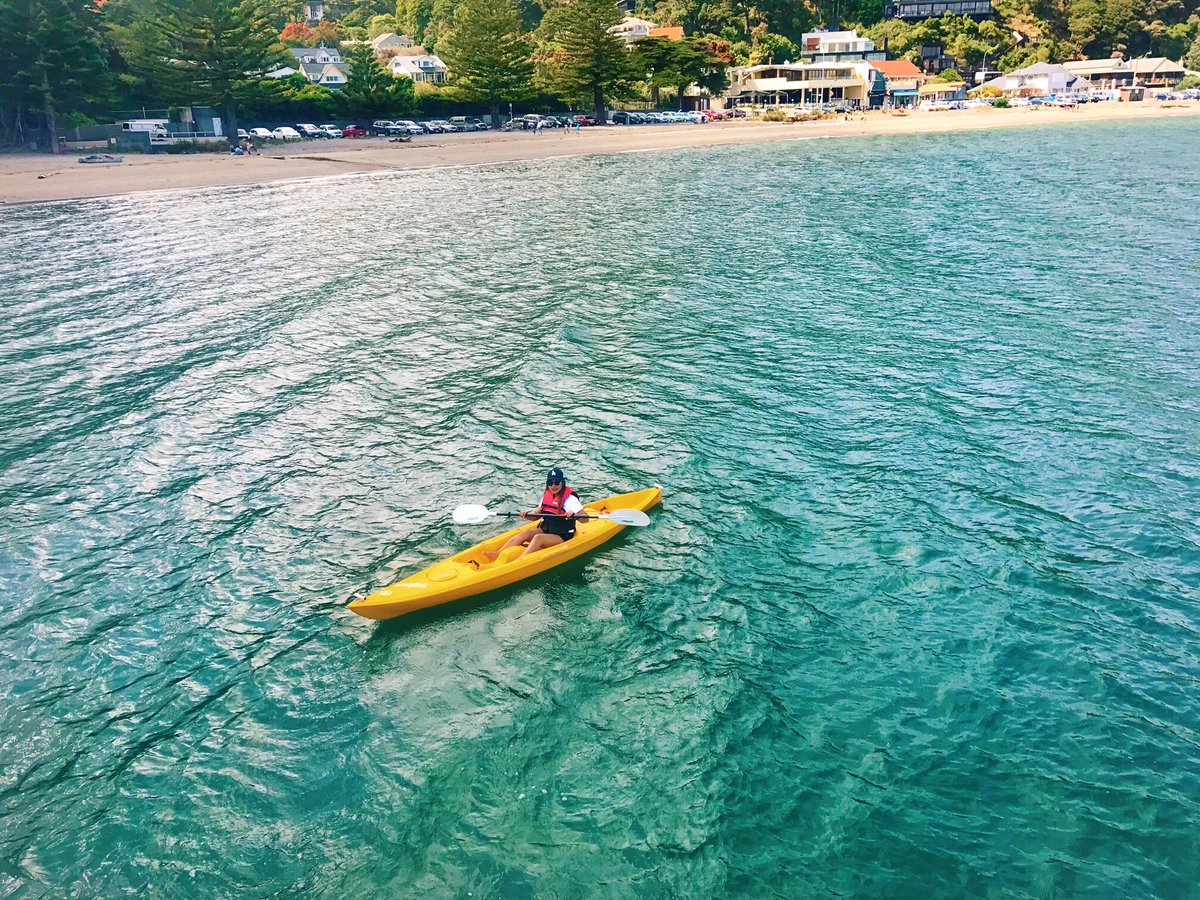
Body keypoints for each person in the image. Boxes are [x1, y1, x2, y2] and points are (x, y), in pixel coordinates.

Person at [484, 468, 585, 560]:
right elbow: (536, 517)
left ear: (562, 483)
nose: (553, 486)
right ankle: (498, 554)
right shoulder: (547, 495)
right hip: (547, 529)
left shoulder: (570, 499)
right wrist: (527, 515)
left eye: (556, 482)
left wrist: (574, 515)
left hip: (562, 535)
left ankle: (519, 561)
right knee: (526, 532)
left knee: (538, 538)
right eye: (550, 483)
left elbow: (585, 519)